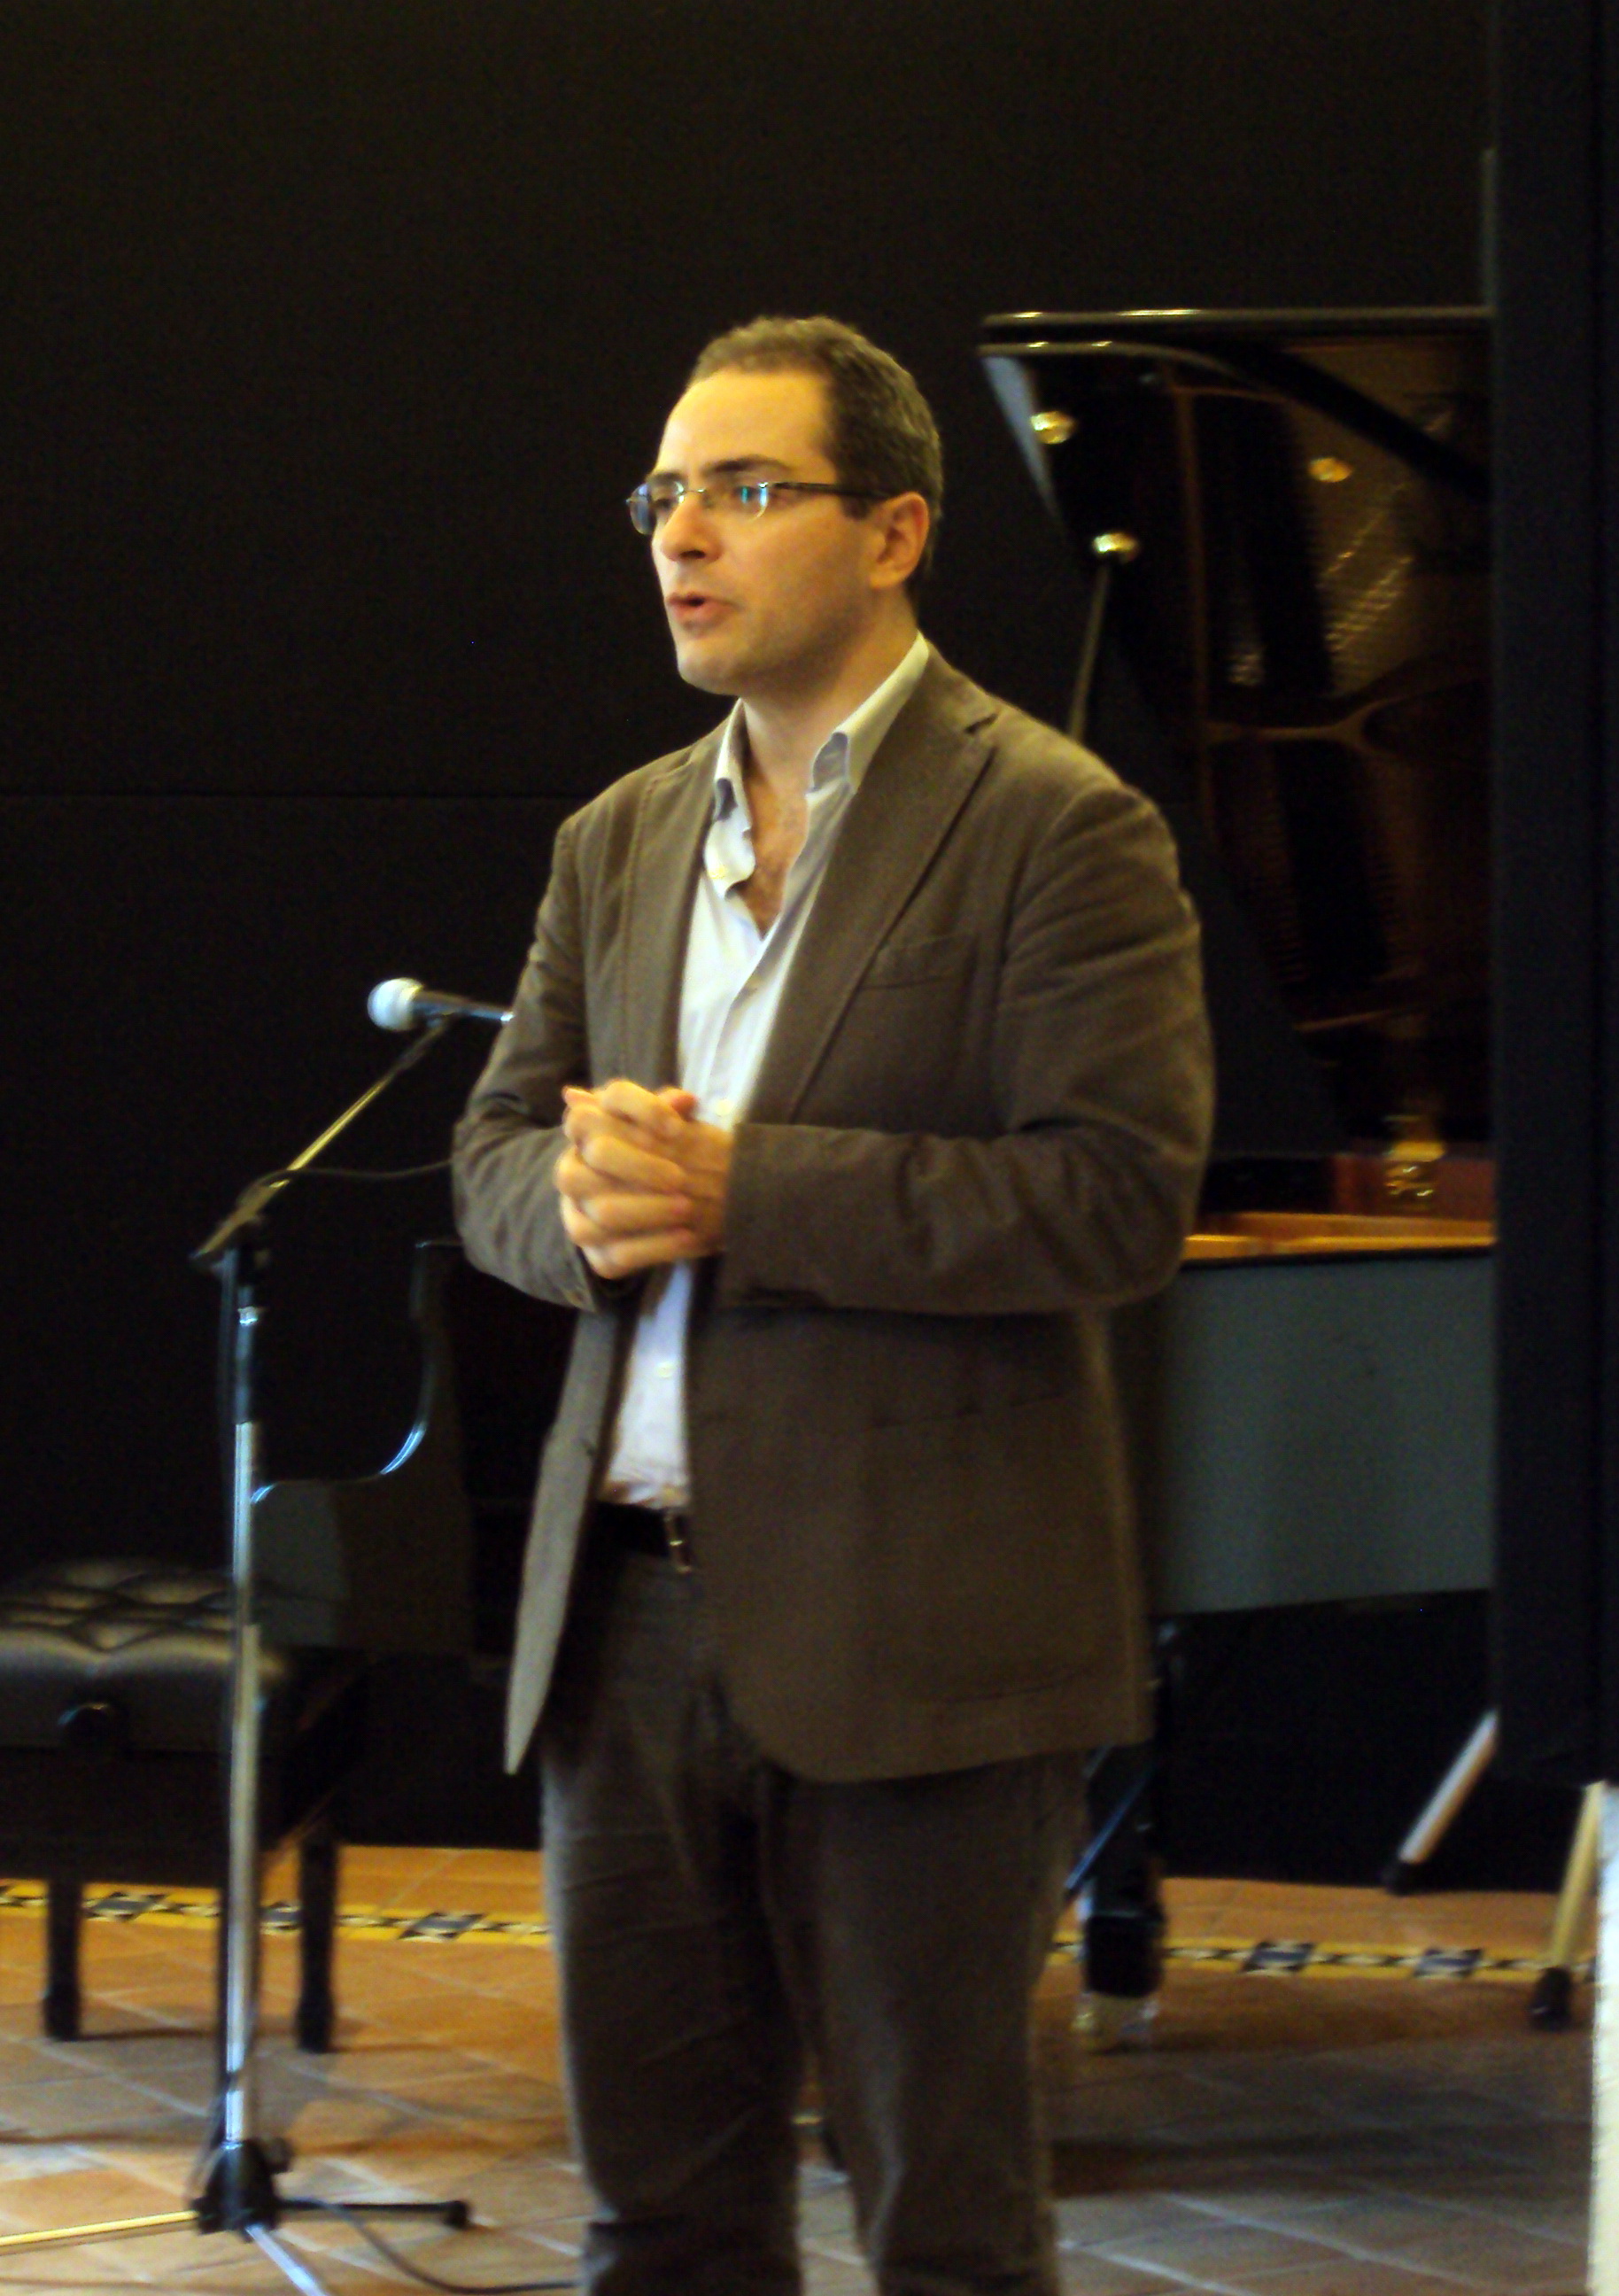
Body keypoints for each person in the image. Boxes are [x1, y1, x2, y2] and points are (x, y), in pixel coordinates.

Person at [453, 315, 1213, 2296]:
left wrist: (743, 1192)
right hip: (626, 1625)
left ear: (894, 533)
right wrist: (580, 1208)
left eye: (744, 489)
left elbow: (1117, 1198)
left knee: (942, 2228)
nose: (681, 535)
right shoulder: (618, 838)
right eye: (664, 495)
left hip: (922, 1627)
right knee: (658, 2226)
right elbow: (491, 1154)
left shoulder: (1057, 824)